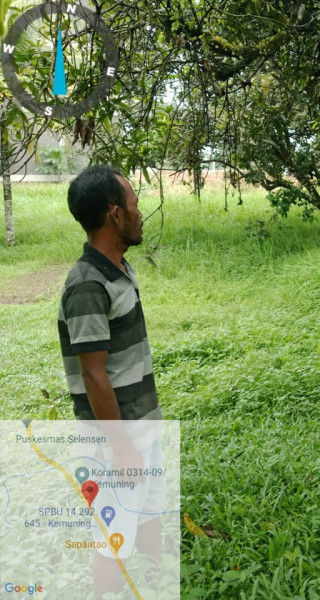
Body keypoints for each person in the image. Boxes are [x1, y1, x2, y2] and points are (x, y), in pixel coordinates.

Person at [58, 165, 164, 599]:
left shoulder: (117, 268)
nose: (140, 213)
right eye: (134, 204)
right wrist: (120, 447)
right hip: (113, 436)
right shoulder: (87, 285)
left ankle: (159, 576)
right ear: (113, 214)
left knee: (150, 507)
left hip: (141, 422)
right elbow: (93, 372)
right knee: (112, 534)